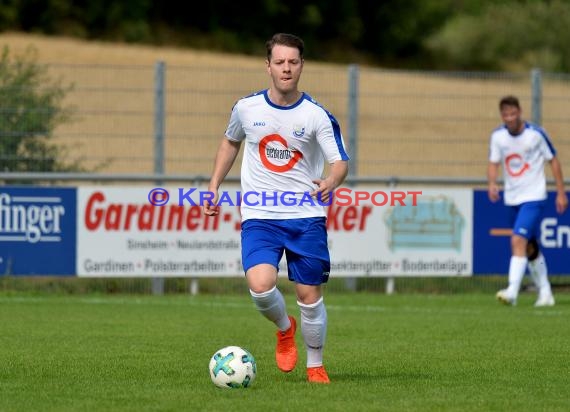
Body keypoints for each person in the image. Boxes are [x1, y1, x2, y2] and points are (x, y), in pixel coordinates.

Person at [203, 33, 349, 383]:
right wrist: (213, 185)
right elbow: (230, 141)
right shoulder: (246, 108)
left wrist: (331, 181)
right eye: (280, 62)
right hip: (260, 214)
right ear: (268, 66)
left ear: (302, 66)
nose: (287, 68)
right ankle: (285, 329)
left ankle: (315, 365)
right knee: (260, 284)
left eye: (293, 62)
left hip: (305, 215)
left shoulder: (317, 115)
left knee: (309, 295)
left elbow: (340, 161)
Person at [488, 95, 568, 307]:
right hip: (512, 197)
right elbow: (493, 162)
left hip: (534, 196)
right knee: (530, 247)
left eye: (513, 114)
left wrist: (561, 192)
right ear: (502, 116)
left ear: (520, 112)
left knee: (517, 240)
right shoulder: (498, 137)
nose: (510, 118)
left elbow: (554, 161)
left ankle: (512, 291)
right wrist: (492, 183)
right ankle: (546, 293)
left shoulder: (536, 134)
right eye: (506, 115)